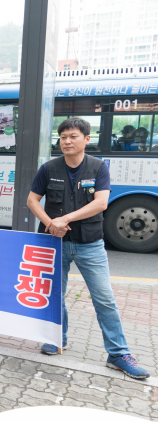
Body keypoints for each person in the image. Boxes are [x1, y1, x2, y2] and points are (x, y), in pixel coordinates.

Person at [27, 118, 149, 379]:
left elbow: (101, 203)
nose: (67, 141)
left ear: (86, 139)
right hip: (54, 242)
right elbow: (32, 200)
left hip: (90, 244)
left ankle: (118, 354)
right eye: (63, 137)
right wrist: (51, 224)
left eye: (73, 136)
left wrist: (64, 219)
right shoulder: (48, 168)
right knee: (53, 295)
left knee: (104, 299)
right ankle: (56, 338)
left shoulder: (98, 167)